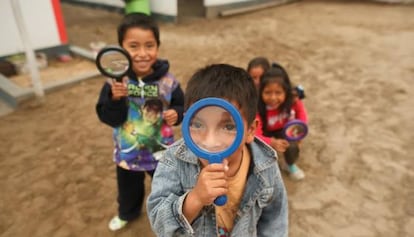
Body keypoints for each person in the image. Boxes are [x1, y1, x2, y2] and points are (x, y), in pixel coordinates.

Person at [147, 64, 288, 236]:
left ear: (251, 130)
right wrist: (195, 199)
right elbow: (159, 223)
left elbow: (275, 220)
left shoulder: (266, 165)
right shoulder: (173, 160)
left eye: (228, 126)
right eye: (198, 124)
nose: (211, 141)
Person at [96, 13, 184, 231]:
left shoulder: (168, 81)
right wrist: (115, 99)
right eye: (133, 46)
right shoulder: (115, 82)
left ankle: (170, 215)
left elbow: (183, 105)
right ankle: (128, 213)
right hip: (128, 152)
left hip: (161, 152)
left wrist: (177, 113)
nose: (142, 53)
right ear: (121, 48)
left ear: (158, 46)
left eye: (149, 45)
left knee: (166, 188)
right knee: (128, 190)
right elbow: (109, 118)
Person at [255, 63, 308, 181]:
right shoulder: (258, 108)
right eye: (268, 92)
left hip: (285, 130)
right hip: (265, 132)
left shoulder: (293, 100)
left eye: (278, 92)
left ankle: (289, 164)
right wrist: (271, 142)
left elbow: (302, 115)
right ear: (260, 92)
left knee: (292, 146)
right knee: (256, 149)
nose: (273, 98)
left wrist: (299, 131)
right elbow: (254, 134)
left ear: (286, 92)